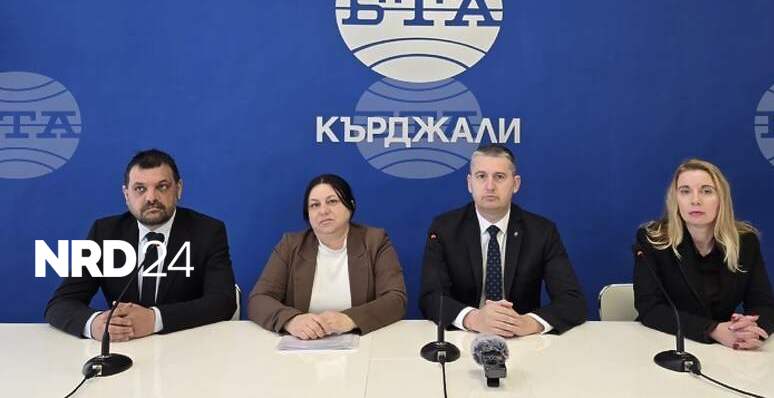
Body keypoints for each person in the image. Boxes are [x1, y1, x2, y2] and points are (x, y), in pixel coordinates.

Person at [45, 149, 237, 340]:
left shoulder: (208, 231)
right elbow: (61, 302)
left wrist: (155, 319)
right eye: (140, 189)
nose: (151, 198)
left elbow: (223, 302)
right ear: (126, 194)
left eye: (162, 187)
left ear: (178, 189)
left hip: (187, 344)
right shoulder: (104, 233)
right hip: (125, 345)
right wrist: (94, 324)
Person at [419, 143, 587, 337]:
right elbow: (431, 297)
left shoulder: (542, 231)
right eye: (481, 176)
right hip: (465, 337)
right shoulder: (444, 228)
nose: (490, 186)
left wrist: (530, 323)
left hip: (523, 340)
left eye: (499, 177)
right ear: (470, 183)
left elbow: (573, 301)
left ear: (515, 184)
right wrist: (474, 318)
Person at [634, 158, 774, 350]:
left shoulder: (745, 242)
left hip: (726, 350)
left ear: (721, 199)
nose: (695, 200)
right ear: (676, 200)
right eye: (685, 191)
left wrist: (751, 332)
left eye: (706, 191)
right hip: (668, 344)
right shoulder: (654, 240)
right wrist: (713, 330)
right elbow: (650, 308)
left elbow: (764, 305)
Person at [248, 174, 406, 339]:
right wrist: (291, 320)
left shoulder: (375, 241)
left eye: (332, 201)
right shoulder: (290, 245)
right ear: (308, 214)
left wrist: (351, 319)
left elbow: (395, 299)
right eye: (314, 205)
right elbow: (258, 299)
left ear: (351, 205)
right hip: (304, 344)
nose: (323, 211)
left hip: (362, 343)